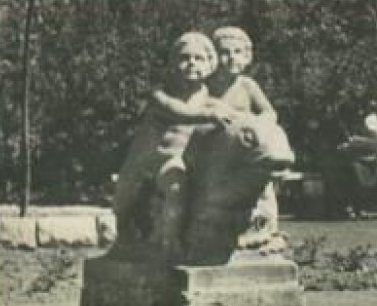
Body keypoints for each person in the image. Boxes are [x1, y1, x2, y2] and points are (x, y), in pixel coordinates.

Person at [111, 32, 235, 258]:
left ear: (210, 65)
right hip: (144, 159)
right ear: (173, 63)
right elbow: (180, 112)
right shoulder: (160, 94)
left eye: (199, 59)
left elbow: (231, 120)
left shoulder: (212, 102)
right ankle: (123, 241)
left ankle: (171, 242)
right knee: (122, 201)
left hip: (173, 160)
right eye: (185, 58)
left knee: (176, 187)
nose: (191, 64)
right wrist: (210, 115)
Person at [209, 27, 283, 250]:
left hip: (246, 148)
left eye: (237, 52)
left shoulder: (247, 86)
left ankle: (268, 230)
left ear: (247, 56)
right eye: (224, 52)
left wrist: (255, 122)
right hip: (216, 150)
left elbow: (269, 113)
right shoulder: (208, 86)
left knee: (263, 184)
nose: (231, 58)